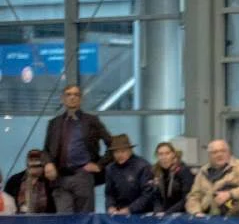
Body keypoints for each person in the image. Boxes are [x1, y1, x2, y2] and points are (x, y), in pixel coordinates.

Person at [42, 84, 113, 213]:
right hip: (59, 177)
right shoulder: (54, 123)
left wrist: (99, 165)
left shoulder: (91, 121)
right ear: (63, 98)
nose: (72, 97)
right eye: (68, 94)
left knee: (84, 219)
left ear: (81, 99)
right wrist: (48, 163)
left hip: (83, 175)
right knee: (64, 220)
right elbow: (45, 150)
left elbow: (113, 144)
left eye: (76, 94)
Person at [185, 139, 239, 217]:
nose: (219, 155)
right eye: (215, 152)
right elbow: (193, 196)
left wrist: (230, 194)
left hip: (232, 216)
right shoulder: (203, 171)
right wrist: (196, 212)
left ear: (229, 153)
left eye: (223, 151)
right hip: (205, 215)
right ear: (209, 155)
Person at [103, 134, 156, 215]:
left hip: (142, 214)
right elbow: (109, 193)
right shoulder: (110, 169)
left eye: (123, 151)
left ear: (130, 150)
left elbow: (147, 194)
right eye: (116, 152)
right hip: (119, 213)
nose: (119, 155)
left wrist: (130, 209)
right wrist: (110, 206)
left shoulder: (143, 166)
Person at [4, 150, 56, 214]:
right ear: (27, 164)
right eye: (31, 165)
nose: (34, 169)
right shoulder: (14, 180)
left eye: (38, 166)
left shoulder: (49, 181)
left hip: (46, 220)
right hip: (19, 219)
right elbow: (7, 201)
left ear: (44, 165)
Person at [152, 141, 195, 214]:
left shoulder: (183, 171)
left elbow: (186, 198)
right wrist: (158, 211)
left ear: (173, 154)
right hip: (164, 214)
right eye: (160, 154)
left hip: (181, 213)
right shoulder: (156, 172)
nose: (164, 157)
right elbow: (156, 196)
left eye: (167, 153)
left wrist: (168, 212)